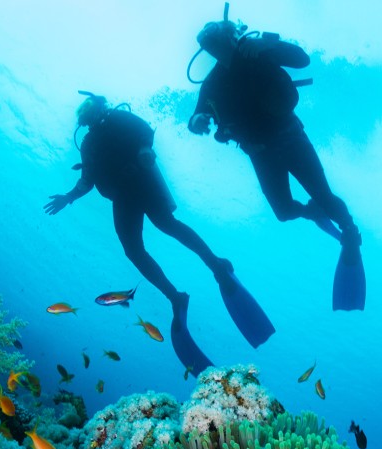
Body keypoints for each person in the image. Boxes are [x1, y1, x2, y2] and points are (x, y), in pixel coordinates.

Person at [45, 93, 273, 372]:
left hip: (142, 179)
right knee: (135, 249)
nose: (88, 114)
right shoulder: (89, 143)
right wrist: (68, 197)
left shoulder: (118, 116)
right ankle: (176, 295)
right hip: (122, 196)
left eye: (90, 108)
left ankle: (215, 266)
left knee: (167, 225)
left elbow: (145, 132)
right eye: (85, 112)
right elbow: (87, 181)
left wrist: (143, 149)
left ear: (99, 106)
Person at [188, 18, 365, 310]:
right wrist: (197, 121)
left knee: (325, 194)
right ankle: (313, 212)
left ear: (232, 37)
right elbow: (196, 116)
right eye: (211, 48)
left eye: (219, 43)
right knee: (283, 212)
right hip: (261, 154)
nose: (218, 50)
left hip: (291, 139)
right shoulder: (212, 84)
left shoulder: (259, 51)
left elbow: (302, 59)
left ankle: (349, 230)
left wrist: (268, 43)